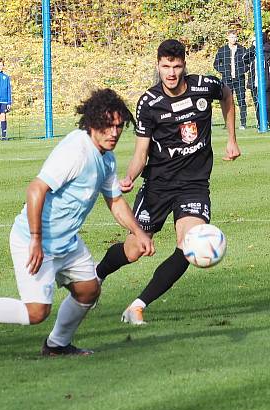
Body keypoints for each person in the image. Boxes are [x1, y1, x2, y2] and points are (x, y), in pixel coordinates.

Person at [0, 89, 154, 357]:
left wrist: (138, 232)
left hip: (67, 242)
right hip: (35, 240)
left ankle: (57, 345)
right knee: (36, 311)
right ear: (91, 123)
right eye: (107, 125)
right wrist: (36, 239)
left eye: (119, 126)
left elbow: (116, 201)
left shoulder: (106, 158)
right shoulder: (76, 151)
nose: (114, 132)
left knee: (89, 290)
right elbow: (36, 190)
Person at [96, 39, 240, 325]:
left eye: (176, 66)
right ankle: (97, 275)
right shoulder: (149, 103)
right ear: (158, 65)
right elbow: (141, 152)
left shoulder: (203, 86)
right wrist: (129, 176)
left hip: (194, 185)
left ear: (184, 65)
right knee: (135, 249)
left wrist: (231, 140)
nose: (171, 73)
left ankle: (136, 306)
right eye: (165, 66)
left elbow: (226, 94)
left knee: (189, 244)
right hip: (158, 186)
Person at [214, 30, 249, 129]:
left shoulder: (242, 49)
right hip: (227, 79)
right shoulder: (222, 50)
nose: (233, 39)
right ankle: (228, 123)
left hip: (239, 79)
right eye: (231, 37)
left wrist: (242, 71)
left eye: (235, 37)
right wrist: (225, 71)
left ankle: (243, 123)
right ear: (227, 38)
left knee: (241, 100)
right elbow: (216, 64)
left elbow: (247, 63)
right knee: (227, 102)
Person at [243, 31, 270, 128]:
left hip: (266, 82)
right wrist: (253, 46)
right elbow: (245, 59)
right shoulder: (253, 50)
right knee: (257, 105)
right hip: (254, 82)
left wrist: (260, 48)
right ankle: (260, 124)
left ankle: (267, 122)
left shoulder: (267, 49)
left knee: (267, 105)